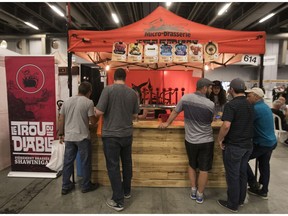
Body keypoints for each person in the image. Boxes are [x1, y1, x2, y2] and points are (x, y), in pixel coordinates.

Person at [159, 78, 215, 204]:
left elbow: (175, 112)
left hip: (190, 140)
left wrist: (167, 123)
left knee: (192, 164)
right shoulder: (210, 105)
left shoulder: (185, 98)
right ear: (204, 88)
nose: (211, 90)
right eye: (210, 87)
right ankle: (200, 195)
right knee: (204, 169)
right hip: (206, 140)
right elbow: (210, 121)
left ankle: (193, 190)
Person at [95, 68, 139, 211]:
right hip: (127, 134)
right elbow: (135, 115)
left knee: (113, 166)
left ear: (114, 77)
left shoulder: (108, 90)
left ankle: (118, 200)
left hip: (111, 136)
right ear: (125, 77)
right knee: (127, 163)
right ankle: (126, 191)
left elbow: (99, 112)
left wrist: (95, 110)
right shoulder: (133, 93)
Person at [217, 78, 254, 213]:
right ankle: (240, 200)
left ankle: (232, 204)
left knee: (232, 175)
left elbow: (226, 125)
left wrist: (220, 139)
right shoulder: (250, 103)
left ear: (231, 89)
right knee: (242, 173)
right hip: (248, 145)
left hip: (235, 145)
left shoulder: (231, 105)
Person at [58, 81, 98, 195]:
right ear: (89, 91)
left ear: (79, 90)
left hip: (69, 137)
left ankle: (65, 186)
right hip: (83, 137)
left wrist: (61, 134)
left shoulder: (67, 101)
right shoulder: (89, 102)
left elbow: (61, 119)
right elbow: (93, 121)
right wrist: (98, 117)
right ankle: (85, 185)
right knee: (85, 162)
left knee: (68, 162)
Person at [245, 87, 277, 199]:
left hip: (262, 143)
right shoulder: (265, 106)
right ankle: (264, 190)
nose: (247, 98)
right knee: (264, 165)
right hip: (271, 142)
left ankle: (253, 183)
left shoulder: (255, 109)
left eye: (249, 96)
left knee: (242, 159)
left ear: (256, 96)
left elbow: (244, 124)